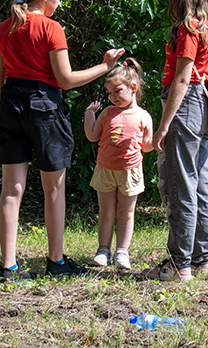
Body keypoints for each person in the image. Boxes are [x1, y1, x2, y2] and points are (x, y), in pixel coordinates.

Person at [0, 0, 125, 281]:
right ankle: (56, 262)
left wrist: (7, 111)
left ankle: (9, 267)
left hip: (9, 106)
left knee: (11, 189)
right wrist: (105, 67)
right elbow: (64, 80)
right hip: (44, 109)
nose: (60, 4)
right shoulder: (52, 29)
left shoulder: (4, 28)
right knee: (54, 189)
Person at [149, 0, 208, 283]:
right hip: (204, 104)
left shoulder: (189, 29)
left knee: (182, 184)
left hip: (186, 103)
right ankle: (201, 261)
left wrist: (164, 125)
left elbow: (182, 79)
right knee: (200, 185)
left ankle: (178, 265)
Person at [83, 58, 154, 270]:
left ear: (133, 88)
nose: (112, 97)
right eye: (110, 93)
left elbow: (147, 146)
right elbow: (92, 136)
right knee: (106, 211)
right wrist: (89, 115)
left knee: (126, 213)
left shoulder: (143, 116)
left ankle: (122, 252)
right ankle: (103, 250)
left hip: (130, 172)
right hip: (105, 170)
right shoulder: (107, 112)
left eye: (117, 91)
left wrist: (159, 138)